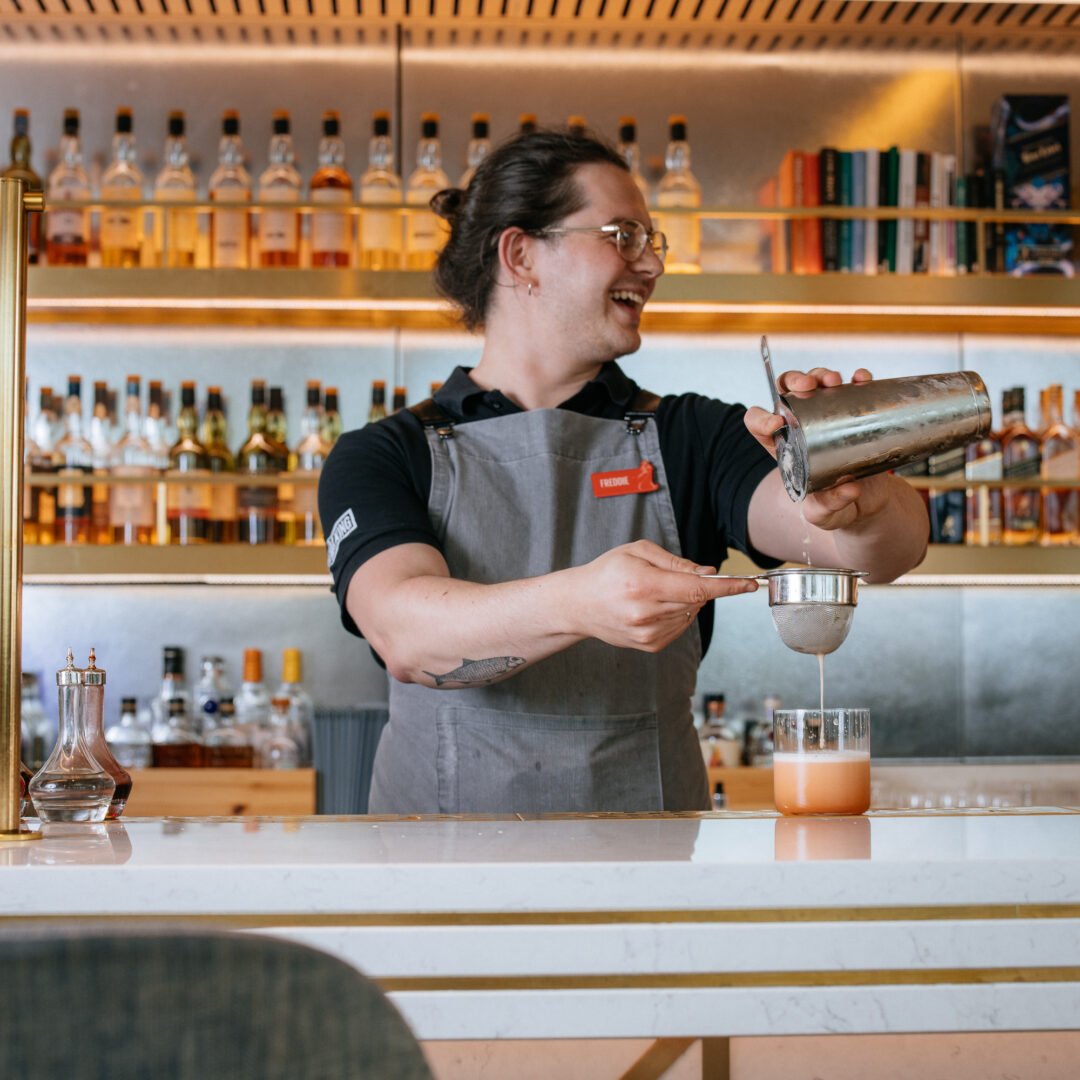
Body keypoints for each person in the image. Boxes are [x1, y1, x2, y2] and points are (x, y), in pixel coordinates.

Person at [318, 129, 928, 815]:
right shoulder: (382, 454)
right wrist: (583, 602)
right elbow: (406, 635)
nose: (651, 265)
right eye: (623, 235)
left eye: (651, 241)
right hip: (444, 891)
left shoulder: (693, 435)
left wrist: (862, 492)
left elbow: (880, 554)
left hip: (650, 884)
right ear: (521, 255)